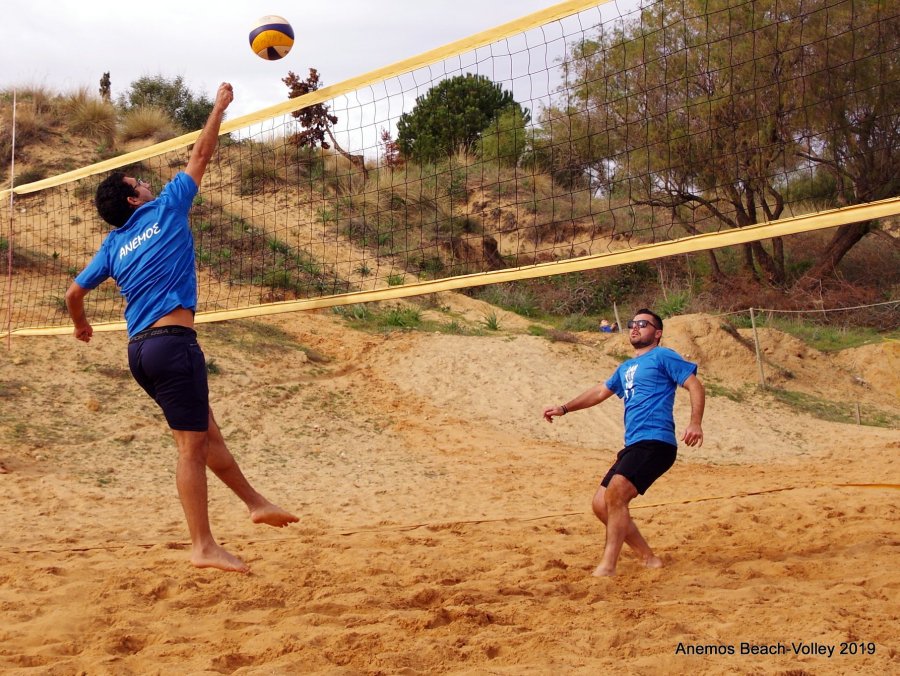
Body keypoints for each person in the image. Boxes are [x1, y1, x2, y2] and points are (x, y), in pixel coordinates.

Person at [65, 83, 298, 573]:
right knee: (192, 447)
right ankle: (203, 546)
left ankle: (256, 503)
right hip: (172, 346)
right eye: (140, 182)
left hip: (139, 352)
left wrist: (82, 326)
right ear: (133, 198)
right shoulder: (165, 207)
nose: (148, 184)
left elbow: (73, 294)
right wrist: (218, 108)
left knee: (207, 436)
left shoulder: (112, 244)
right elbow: (202, 153)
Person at [543, 308, 705, 577]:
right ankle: (649, 558)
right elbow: (599, 392)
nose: (635, 327)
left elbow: (695, 385)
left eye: (643, 324)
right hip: (634, 444)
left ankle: (608, 565)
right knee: (600, 504)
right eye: (632, 323)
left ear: (658, 333)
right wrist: (564, 408)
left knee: (616, 494)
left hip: (656, 441)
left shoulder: (663, 356)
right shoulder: (626, 367)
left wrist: (695, 422)